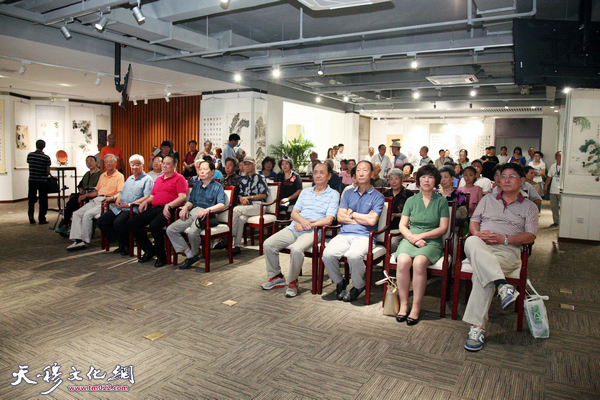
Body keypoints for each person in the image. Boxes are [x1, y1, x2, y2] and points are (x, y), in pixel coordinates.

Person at [462, 162, 538, 352]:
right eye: (503, 176)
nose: (506, 180)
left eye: (512, 176)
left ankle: (477, 327)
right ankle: (503, 286)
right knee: (470, 241)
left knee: (481, 277)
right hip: (482, 245)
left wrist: (505, 238)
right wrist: (477, 234)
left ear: (522, 181)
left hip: (507, 250)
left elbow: (530, 236)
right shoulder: (488, 199)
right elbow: (474, 221)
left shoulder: (529, 207)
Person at [262, 162, 340, 297]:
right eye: (315, 172)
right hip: (296, 226)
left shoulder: (333, 194)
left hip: (315, 231)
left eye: (322, 172)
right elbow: (294, 213)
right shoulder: (305, 192)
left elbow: (328, 219)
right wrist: (303, 222)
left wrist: (308, 225)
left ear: (329, 176)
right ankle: (276, 277)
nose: (318, 175)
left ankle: (292, 281)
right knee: (268, 244)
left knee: (296, 249)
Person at [322, 160, 385, 302]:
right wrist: (361, 217)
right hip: (344, 233)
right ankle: (340, 282)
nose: (361, 173)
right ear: (354, 174)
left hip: (365, 236)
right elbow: (339, 217)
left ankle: (358, 285)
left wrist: (351, 214)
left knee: (353, 256)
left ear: (372, 174)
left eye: (365, 170)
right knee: (327, 254)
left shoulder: (378, 197)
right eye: (358, 170)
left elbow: (371, 221)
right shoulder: (348, 193)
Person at [394, 164, 449, 325]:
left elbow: (443, 229)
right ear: (418, 180)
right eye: (423, 177)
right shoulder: (411, 200)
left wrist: (421, 236)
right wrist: (412, 238)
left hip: (431, 241)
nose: (426, 180)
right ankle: (404, 304)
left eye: (431, 177)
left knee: (419, 263)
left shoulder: (441, 202)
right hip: (411, 238)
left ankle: (416, 307)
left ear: (436, 181)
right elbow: (402, 225)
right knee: (403, 261)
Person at [127, 155, 188, 267]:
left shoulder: (179, 178)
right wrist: (145, 202)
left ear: (175, 165)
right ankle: (150, 250)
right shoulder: (159, 179)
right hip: (155, 208)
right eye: (163, 163)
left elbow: (182, 197)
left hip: (170, 210)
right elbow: (152, 196)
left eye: (168, 163)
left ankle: (161, 256)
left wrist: (169, 205)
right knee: (132, 222)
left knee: (155, 225)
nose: (164, 165)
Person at [167, 160, 226, 270]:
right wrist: (185, 207)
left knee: (193, 233)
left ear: (212, 171)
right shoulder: (197, 185)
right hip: (193, 212)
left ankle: (193, 255)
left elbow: (221, 205)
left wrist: (207, 210)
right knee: (171, 229)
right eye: (200, 169)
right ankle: (189, 254)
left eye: (205, 169)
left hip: (206, 215)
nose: (202, 171)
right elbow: (191, 201)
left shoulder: (218, 187)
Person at [96, 155, 153, 255]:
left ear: (142, 165)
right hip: (120, 207)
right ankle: (119, 240)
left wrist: (130, 204)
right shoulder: (129, 179)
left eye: (137, 165)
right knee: (101, 221)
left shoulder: (147, 179)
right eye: (132, 165)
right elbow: (121, 193)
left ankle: (125, 246)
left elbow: (147, 197)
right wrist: (117, 199)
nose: (134, 167)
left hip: (133, 209)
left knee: (118, 222)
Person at [67, 154, 124, 250]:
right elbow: (97, 191)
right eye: (106, 162)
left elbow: (120, 193)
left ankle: (84, 241)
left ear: (115, 163)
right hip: (97, 200)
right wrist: (86, 195)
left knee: (87, 214)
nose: (108, 164)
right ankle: (77, 239)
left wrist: (112, 198)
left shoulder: (119, 176)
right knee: (77, 213)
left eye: (111, 161)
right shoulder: (103, 175)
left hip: (108, 202)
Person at [231, 156, 269, 255]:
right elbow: (240, 195)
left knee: (236, 210)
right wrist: (241, 199)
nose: (247, 166)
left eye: (249, 164)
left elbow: (263, 195)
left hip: (259, 206)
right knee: (241, 219)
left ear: (254, 165)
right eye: (245, 164)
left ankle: (229, 235)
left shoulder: (260, 177)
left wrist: (249, 197)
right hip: (247, 207)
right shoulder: (243, 179)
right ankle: (237, 246)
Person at [56, 155, 103, 234]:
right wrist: (80, 189)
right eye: (87, 161)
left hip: (94, 196)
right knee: (70, 203)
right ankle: (65, 223)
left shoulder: (101, 174)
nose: (89, 163)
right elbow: (80, 185)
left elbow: (101, 187)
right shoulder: (87, 174)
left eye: (91, 161)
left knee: (77, 204)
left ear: (96, 162)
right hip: (83, 195)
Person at [383, 169, 414, 252]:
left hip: (401, 227)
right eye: (391, 179)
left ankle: (391, 262)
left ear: (402, 180)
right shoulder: (385, 194)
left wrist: (396, 215)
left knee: (392, 242)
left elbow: (412, 213)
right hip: (386, 226)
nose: (393, 182)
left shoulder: (409, 194)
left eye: (396, 179)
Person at [27, 139, 51, 225]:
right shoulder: (46, 158)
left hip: (32, 179)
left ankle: (31, 217)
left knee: (31, 199)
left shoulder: (30, 155)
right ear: (44, 146)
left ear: (36, 145)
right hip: (42, 181)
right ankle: (41, 218)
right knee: (43, 200)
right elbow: (48, 172)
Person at [545, 151, 562, 227]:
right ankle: (556, 221)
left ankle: (563, 222)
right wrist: (545, 186)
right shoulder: (553, 166)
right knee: (554, 207)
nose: (561, 158)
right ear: (556, 158)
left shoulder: (565, 166)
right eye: (559, 156)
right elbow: (549, 177)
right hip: (553, 190)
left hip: (562, 190)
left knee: (563, 207)